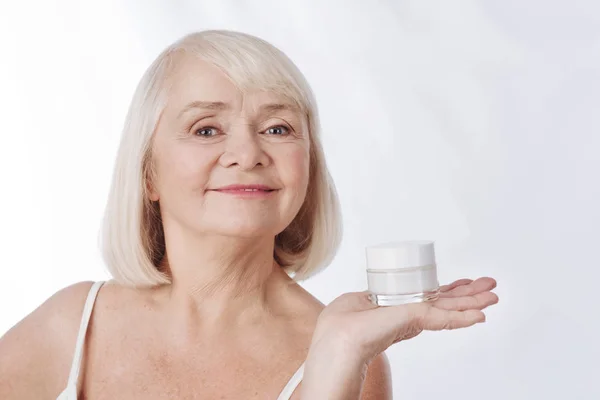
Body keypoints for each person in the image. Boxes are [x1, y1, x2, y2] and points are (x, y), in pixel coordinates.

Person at [0, 30, 498, 399]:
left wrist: (335, 360)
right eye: (206, 129)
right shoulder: (72, 327)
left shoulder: (351, 356)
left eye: (278, 128)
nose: (247, 152)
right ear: (148, 173)